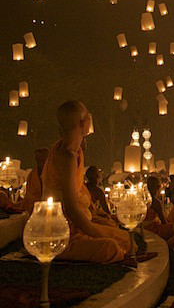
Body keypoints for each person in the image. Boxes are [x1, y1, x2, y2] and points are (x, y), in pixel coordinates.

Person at [41, 100, 132, 263]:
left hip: (77, 219)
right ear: (84, 123)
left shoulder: (74, 150)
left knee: (120, 234)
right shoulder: (66, 156)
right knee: (111, 246)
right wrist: (96, 232)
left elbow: (78, 190)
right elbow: (71, 209)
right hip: (61, 229)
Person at [17, 148, 49, 213]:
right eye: (38, 159)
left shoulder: (54, 174)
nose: (41, 162)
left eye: (43, 159)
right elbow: (29, 196)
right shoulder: (32, 175)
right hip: (34, 210)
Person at [144, 175, 174, 239]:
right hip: (152, 229)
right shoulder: (156, 202)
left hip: (144, 227)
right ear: (159, 187)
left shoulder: (145, 200)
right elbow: (164, 222)